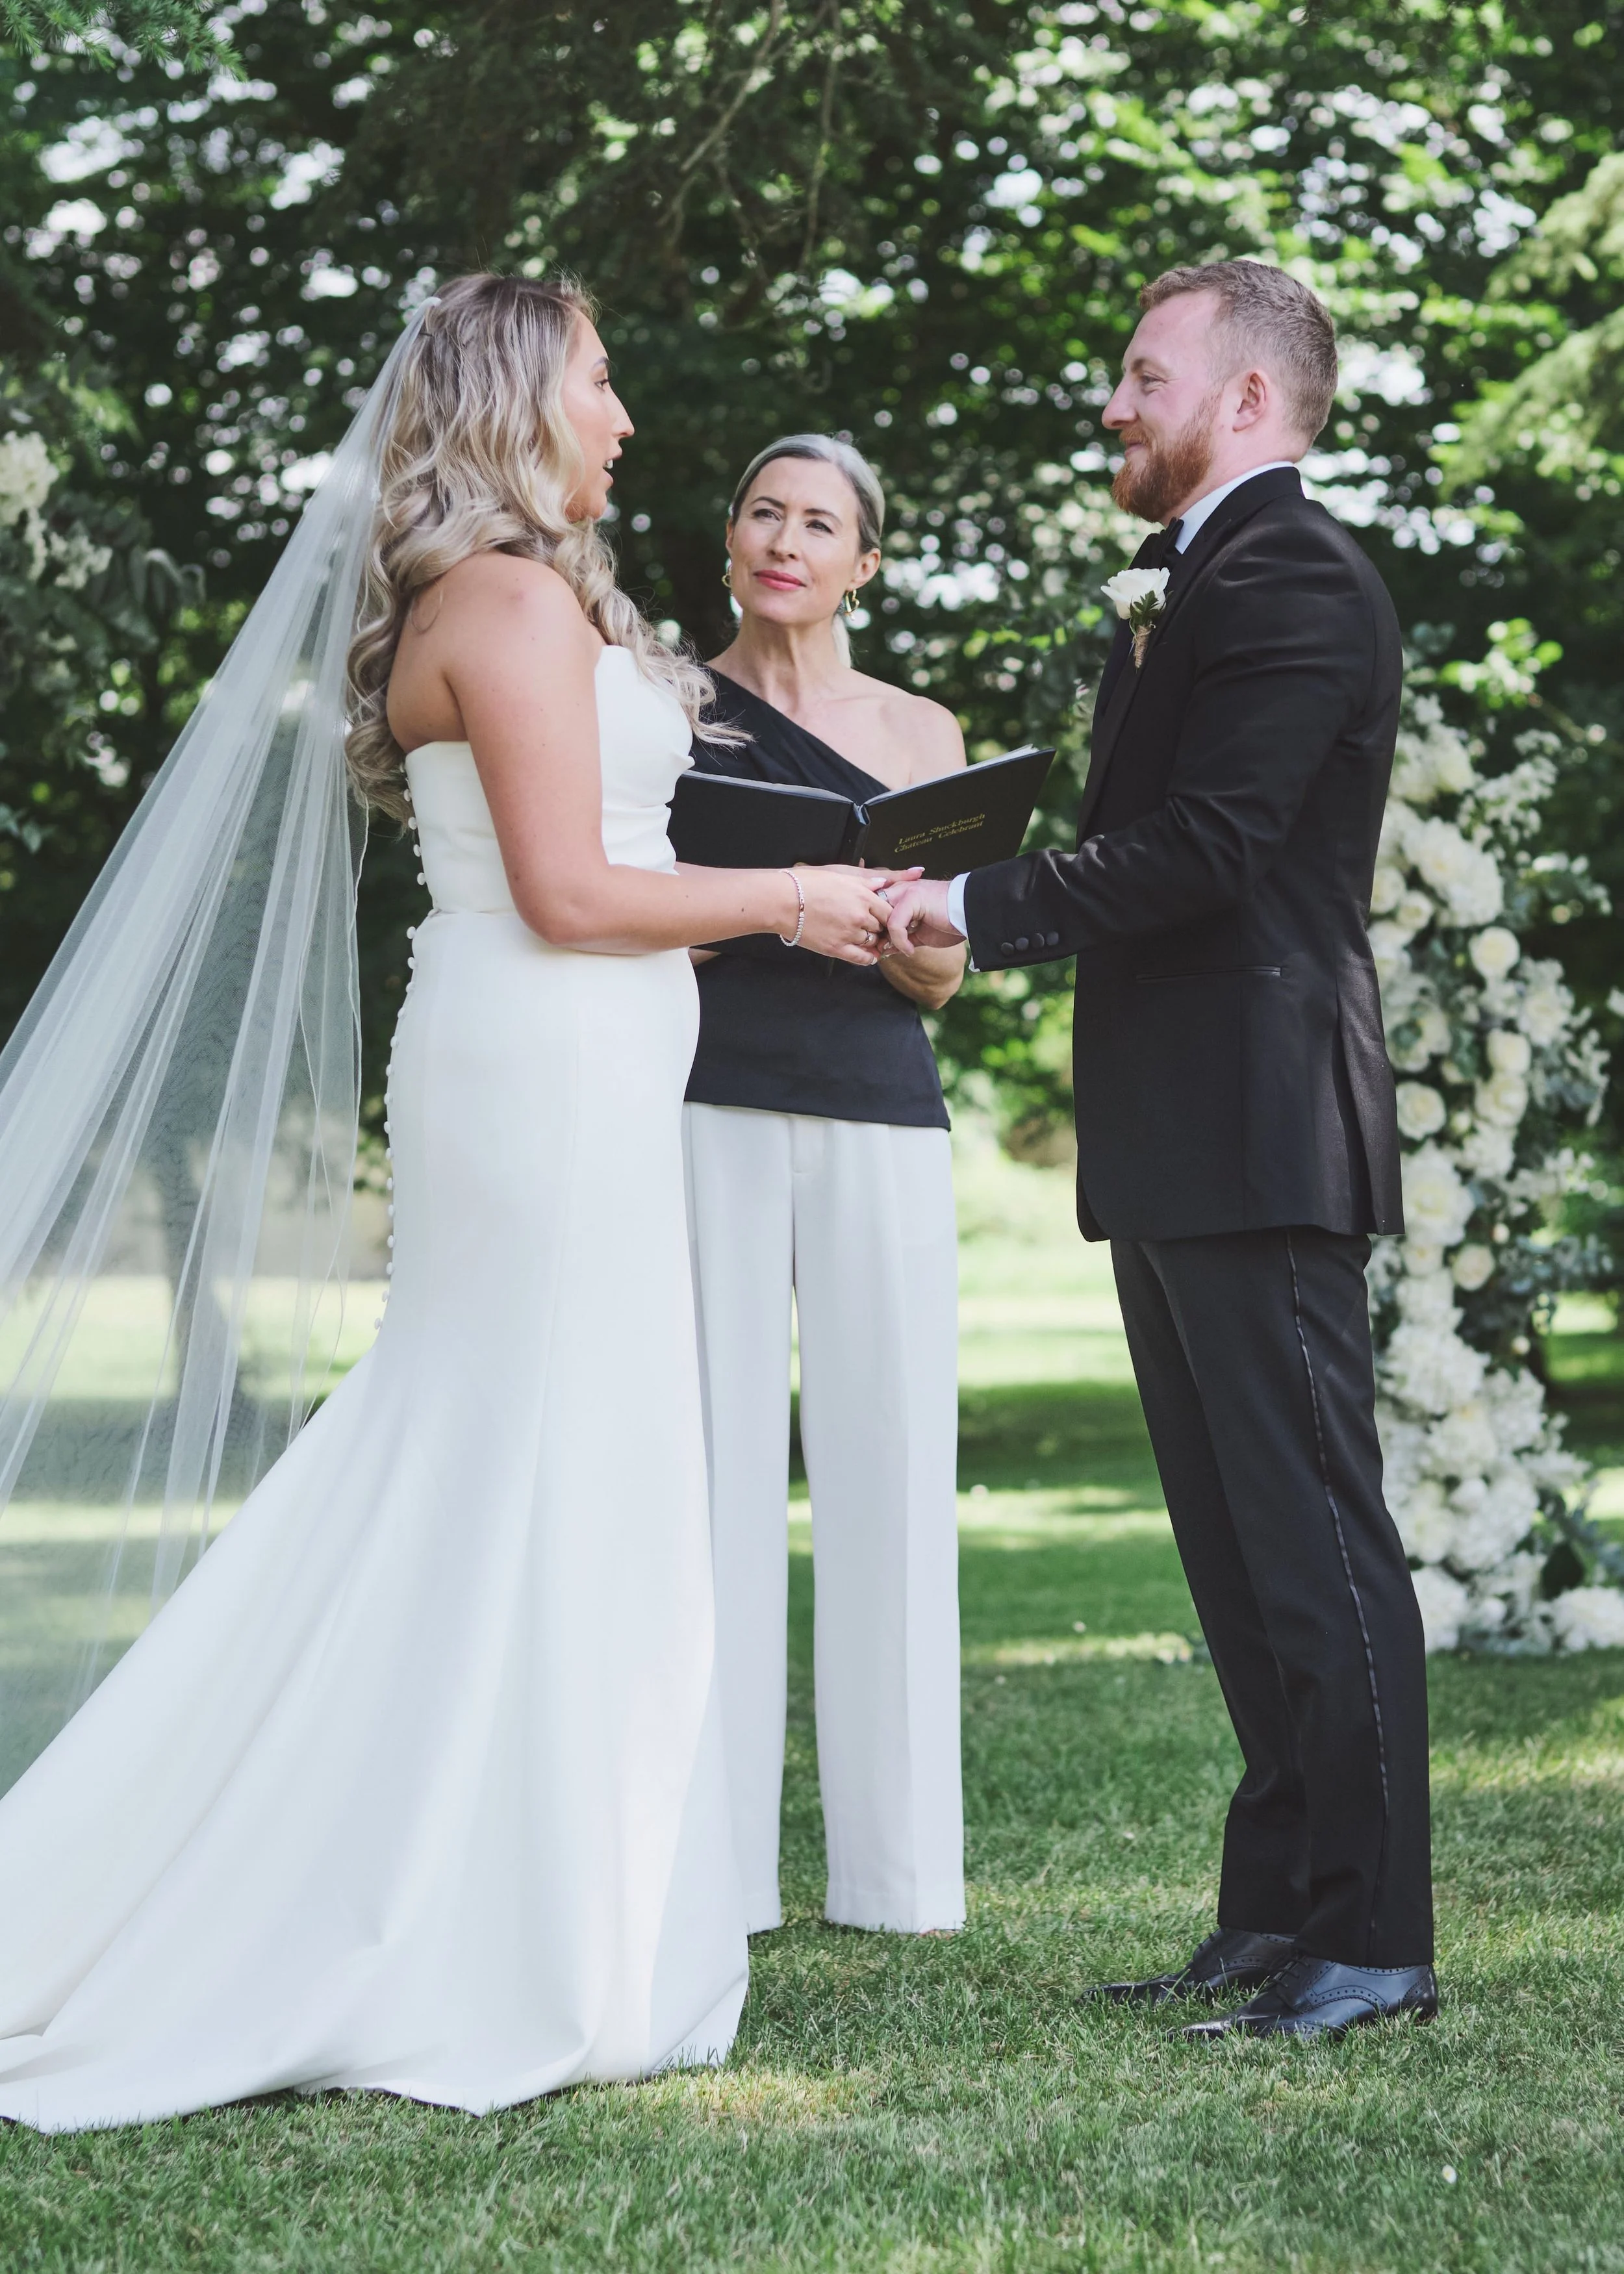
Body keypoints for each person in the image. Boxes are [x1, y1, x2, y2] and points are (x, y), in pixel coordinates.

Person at [0, 275, 904, 2132]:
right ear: (516, 398)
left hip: (583, 1070)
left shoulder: (533, 589)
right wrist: (796, 891)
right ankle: (456, 1924)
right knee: (510, 1458)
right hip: (537, 1071)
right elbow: (572, 892)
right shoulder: (491, 598)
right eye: (599, 376)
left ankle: (532, 1896)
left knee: (542, 1468)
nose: (626, 415)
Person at [882, 261, 1438, 2041]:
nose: (1113, 402)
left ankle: (1374, 1936)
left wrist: (960, 898)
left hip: (1263, 1126)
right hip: (1180, 1133)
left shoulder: (1291, 576)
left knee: (1315, 1543)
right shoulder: (1188, 583)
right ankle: (1275, 1913)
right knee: (1231, 1550)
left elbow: (1206, 850)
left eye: (1143, 373)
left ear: (1251, 400)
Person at [683, 436, 968, 1938]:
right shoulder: (658, 705)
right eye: (763, 513)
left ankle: (902, 1879)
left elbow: (941, 978)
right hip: (705, 1098)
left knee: (894, 1463)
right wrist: (774, 911)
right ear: (728, 538)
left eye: (821, 523)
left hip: (878, 1105)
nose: (785, 540)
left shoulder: (923, 731)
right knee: (718, 1470)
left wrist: (921, 944)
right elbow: (618, 913)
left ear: (865, 561)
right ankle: (720, 1873)